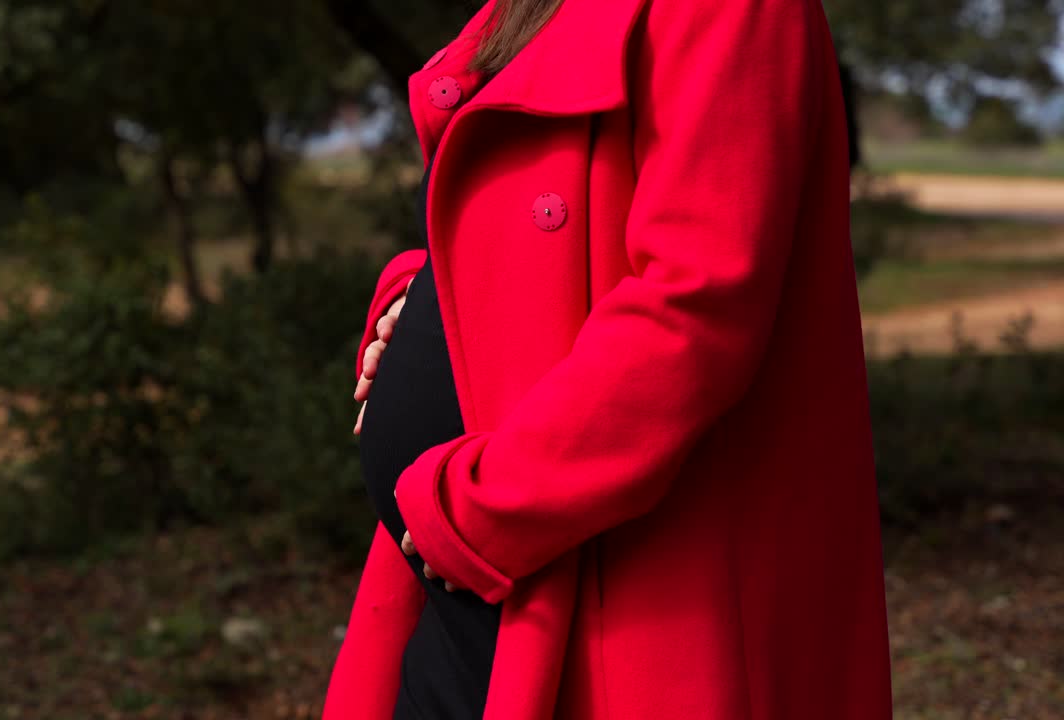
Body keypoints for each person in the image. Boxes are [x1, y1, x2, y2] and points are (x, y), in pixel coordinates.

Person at [330, 0, 894, 718]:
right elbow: (530, 206)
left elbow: (697, 303)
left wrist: (485, 512)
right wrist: (422, 297)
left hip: (581, 567)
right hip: (470, 571)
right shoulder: (528, 8)